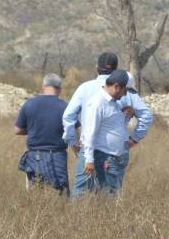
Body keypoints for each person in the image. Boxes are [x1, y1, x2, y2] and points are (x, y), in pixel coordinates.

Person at [63, 53, 153, 195]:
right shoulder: (106, 97)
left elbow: (68, 117)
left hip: (99, 151)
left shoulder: (86, 88)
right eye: (124, 92)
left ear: (97, 68)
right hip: (97, 152)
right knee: (104, 194)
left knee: (91, 194)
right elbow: (146, 116)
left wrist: (73, 142)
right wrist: (133, 140)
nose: (125, 95)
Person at [15, 73, 69, 194]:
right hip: (57, 157)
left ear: (43, 87)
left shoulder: (29, 104)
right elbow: (72, 132)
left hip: (35, 156)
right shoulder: (65, 107)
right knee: (61, 194)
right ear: (59, 88)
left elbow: (17, 130)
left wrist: (34, 129)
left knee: (35, 196)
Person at [79, 70, 131, 196]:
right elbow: (90, 132)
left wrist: (127, 116)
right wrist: (89, 159)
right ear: (116, 87)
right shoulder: (97, 103)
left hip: (113, 159)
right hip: (104, 158)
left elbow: (112, 127)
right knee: (108, 196)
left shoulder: (114, 103)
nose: (125, 95)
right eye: (124, 91)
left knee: (111, 195)